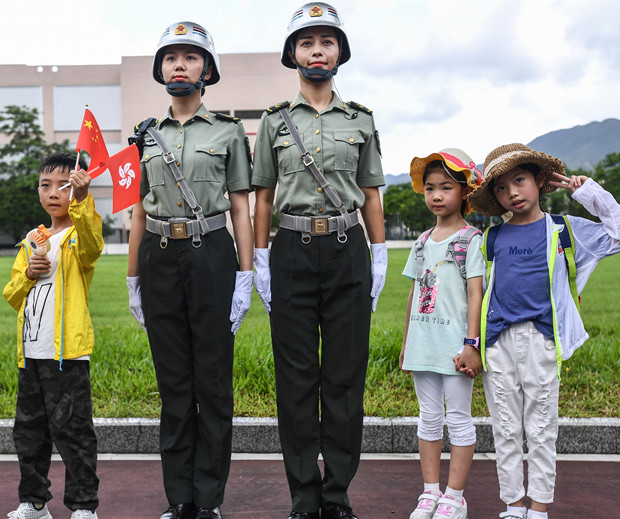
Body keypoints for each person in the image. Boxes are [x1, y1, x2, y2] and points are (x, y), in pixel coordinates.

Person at [251, 4, 387, 518]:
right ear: (292, 55)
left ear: (340, 54)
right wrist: (260, 259)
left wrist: (377, 255)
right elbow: (263, 196)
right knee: (296, 377)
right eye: (306, 43)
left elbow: (372, 193)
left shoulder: (362, 120)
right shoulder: (271, 122)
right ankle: (304, 495)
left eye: (327, 42)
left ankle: (338, 494)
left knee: (346, 376)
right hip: (291, 251)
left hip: (349, 248)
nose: (316, 51)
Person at [125, 20, 254, 519]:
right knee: (174, 384)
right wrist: (133, 277)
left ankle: (210, 500)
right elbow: (138, 208)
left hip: (212, 255)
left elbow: (240, 208)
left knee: (213, 383)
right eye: (171, 57)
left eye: (191, 57)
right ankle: (179, 498)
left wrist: (245, 275)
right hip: (159, 255)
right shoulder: (146, 135)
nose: (180, 64)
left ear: (207, 69)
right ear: (161, 69)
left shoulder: (226, 132)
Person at [466, 143, 620, 519]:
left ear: (538, 180)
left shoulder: (563, 230)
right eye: (501, 188)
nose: (512, 193)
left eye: (519, 180)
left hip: (542, 341)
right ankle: (513, 506)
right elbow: (476, 294)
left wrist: (587, 192)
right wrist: (472, 344)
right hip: (498, 345)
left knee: (541, 430)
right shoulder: (490, 239)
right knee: (504, 429)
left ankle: (538, 509)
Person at [3, 153, 105, 519]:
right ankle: (33, 502)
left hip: (67, 355)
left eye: (62, 185)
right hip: (30, 354)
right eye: (45, 185)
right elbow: (12, 295)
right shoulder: (33, 238)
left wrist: (82, 200)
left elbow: (95, 244)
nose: (53, 193)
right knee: (29, 434)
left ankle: (83, 506)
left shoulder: (79, 236)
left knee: (74, 432)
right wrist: (28, 273)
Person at [399, 150, 484, 519]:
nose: (436, 195)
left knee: (459, 420)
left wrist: (471, 345)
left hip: (456, 349)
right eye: (430, 188)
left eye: (445, 187)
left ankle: (455, 496)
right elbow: (414, 294)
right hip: (423, 346)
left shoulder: (471, 240)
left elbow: (475, 295)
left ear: (464, 192)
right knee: (428, 418)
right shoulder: (421, 242)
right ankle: (430, 492)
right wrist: (406, 345)